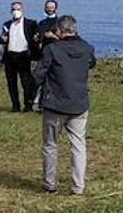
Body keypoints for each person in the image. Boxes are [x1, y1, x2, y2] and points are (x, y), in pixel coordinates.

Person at [33, 15, 95, 196]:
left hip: (55, 104)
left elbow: (38, 74)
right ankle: (78, 186)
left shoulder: (52, 50)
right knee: (78, 145)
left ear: (59, 31)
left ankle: (50, 184)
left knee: (50, 145)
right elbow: (92, 62)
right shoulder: (87, 48)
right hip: (79, 103)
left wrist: (32, 93)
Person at [0, 1, 39, 112]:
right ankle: (15, 105)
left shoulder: (30, 23)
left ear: (22, 10)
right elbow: (1, 39)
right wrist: (2, 39)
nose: (16, 11)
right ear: (11, 11)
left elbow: (36, 37)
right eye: (14, 9)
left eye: (18, 9)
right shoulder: (7, 24)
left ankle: (28, 105)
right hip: (10, 56)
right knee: (11, 83)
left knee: (26, 82)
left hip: (24, 56)